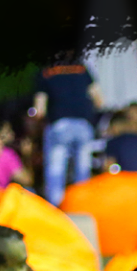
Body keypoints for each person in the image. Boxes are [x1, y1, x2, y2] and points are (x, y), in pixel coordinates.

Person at [34, 53, 104, 206]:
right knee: (83, 169)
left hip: (59, 125)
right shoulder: (82, 69)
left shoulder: (46, 72)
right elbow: (99, 101)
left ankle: (57, 206)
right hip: (84, 125)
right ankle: (81, 205)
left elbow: (39, 110)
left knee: (56, 169)